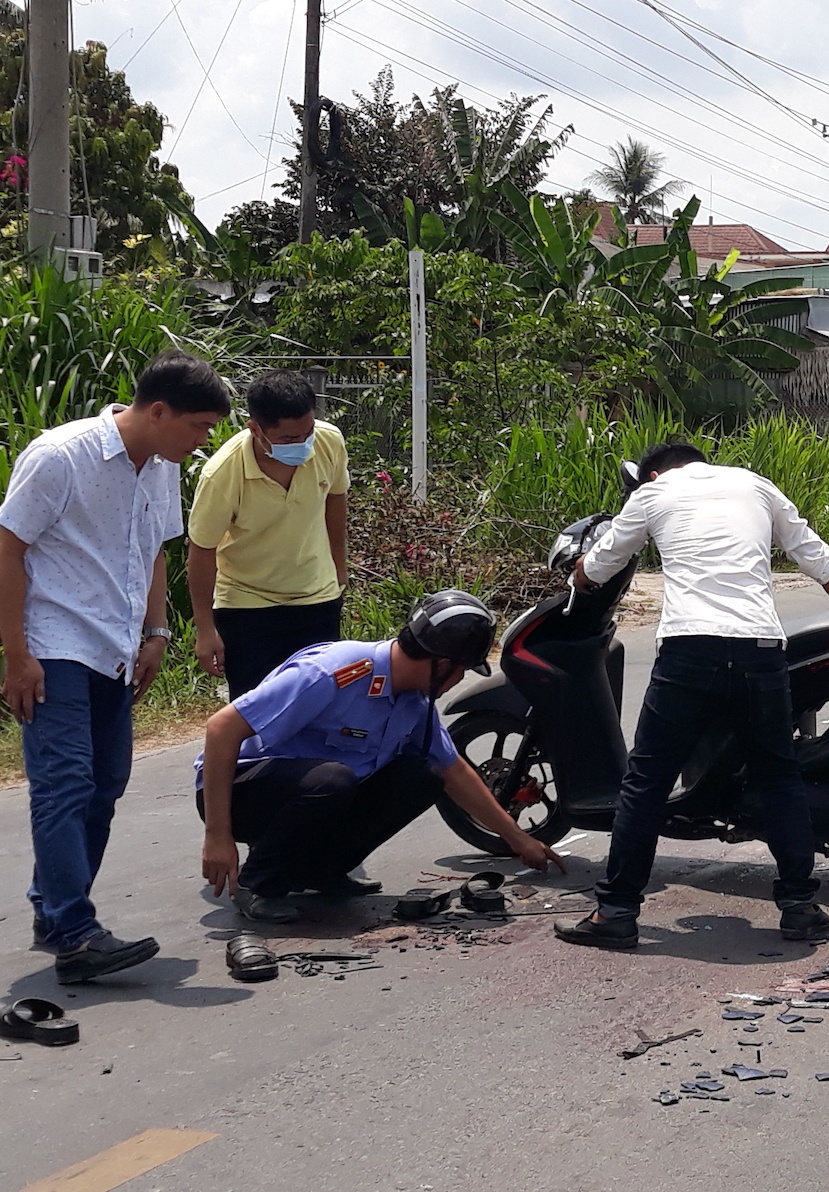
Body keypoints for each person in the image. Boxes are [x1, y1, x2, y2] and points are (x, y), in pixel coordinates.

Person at [555, 443, 829, 949]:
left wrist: (576, 573)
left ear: (654, 471)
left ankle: (616, 912)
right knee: (778, 777)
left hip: (689, 651)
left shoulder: (653, 493)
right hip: (759, 651)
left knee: (646, 783)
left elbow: (598, 567)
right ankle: (799, 908)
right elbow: (823, 563)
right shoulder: (755, 485)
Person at [0, 350, 229, 983]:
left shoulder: (160, 465)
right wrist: (16, 655)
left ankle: (56, 916)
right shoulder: (58, 456)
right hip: (55, 644)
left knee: (105, 784)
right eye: (198, 426)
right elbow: (8, 547)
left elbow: (154, 548)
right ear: (158, 411)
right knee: (65, 782)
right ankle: (75, 930)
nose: (203, 439)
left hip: (118, 647)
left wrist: (157, 631)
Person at [196, 590, 566, 924]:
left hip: (309, 795)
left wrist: (518, 840)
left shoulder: (414, 701)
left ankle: (320, 871)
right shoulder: (333, 672)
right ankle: (258, 884)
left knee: (422, 775)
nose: (459, 681)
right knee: (334, 780)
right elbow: (221, 730)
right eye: (462, 671)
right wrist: (218, 835)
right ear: (440, 663)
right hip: (239, 792)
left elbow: (454, 771)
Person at [188, 370, 349, 699]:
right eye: (289, 440)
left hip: (316, 598)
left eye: (307, 433)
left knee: (320, 706)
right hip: (247, 607)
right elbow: (201, 550)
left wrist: (339, 567)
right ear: (256, 429)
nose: (303, 445)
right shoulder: (223, 473)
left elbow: (336, 498)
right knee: (258, 712)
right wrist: (206, 630)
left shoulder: (329, 442)